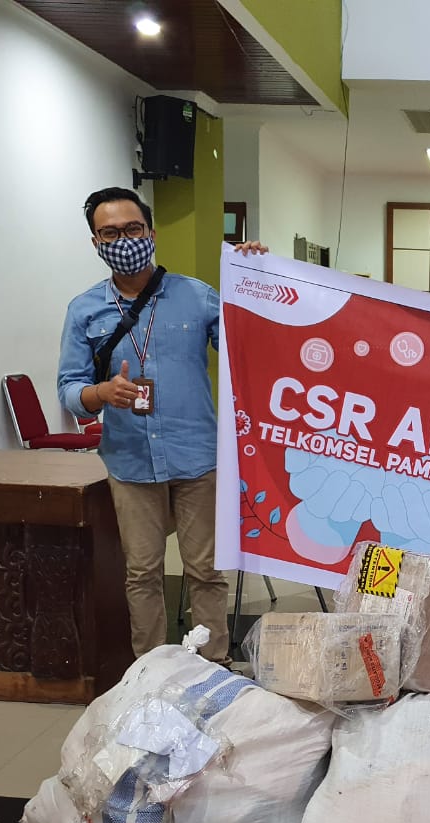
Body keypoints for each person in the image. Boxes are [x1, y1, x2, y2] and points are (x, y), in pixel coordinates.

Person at [57, 186, 267, 662]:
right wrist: (101, 393)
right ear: (95, 242)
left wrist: (254, 279)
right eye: (110, 233)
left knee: (205, 572)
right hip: (130, 461)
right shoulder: (84, 310)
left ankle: (213, 665)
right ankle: (151, 671)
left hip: (196, 456)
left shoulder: (197, 297)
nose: (123, 240)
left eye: (133, 228)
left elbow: (252, 345)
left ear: (151, 232)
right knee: (142, 573)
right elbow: (69, 389)